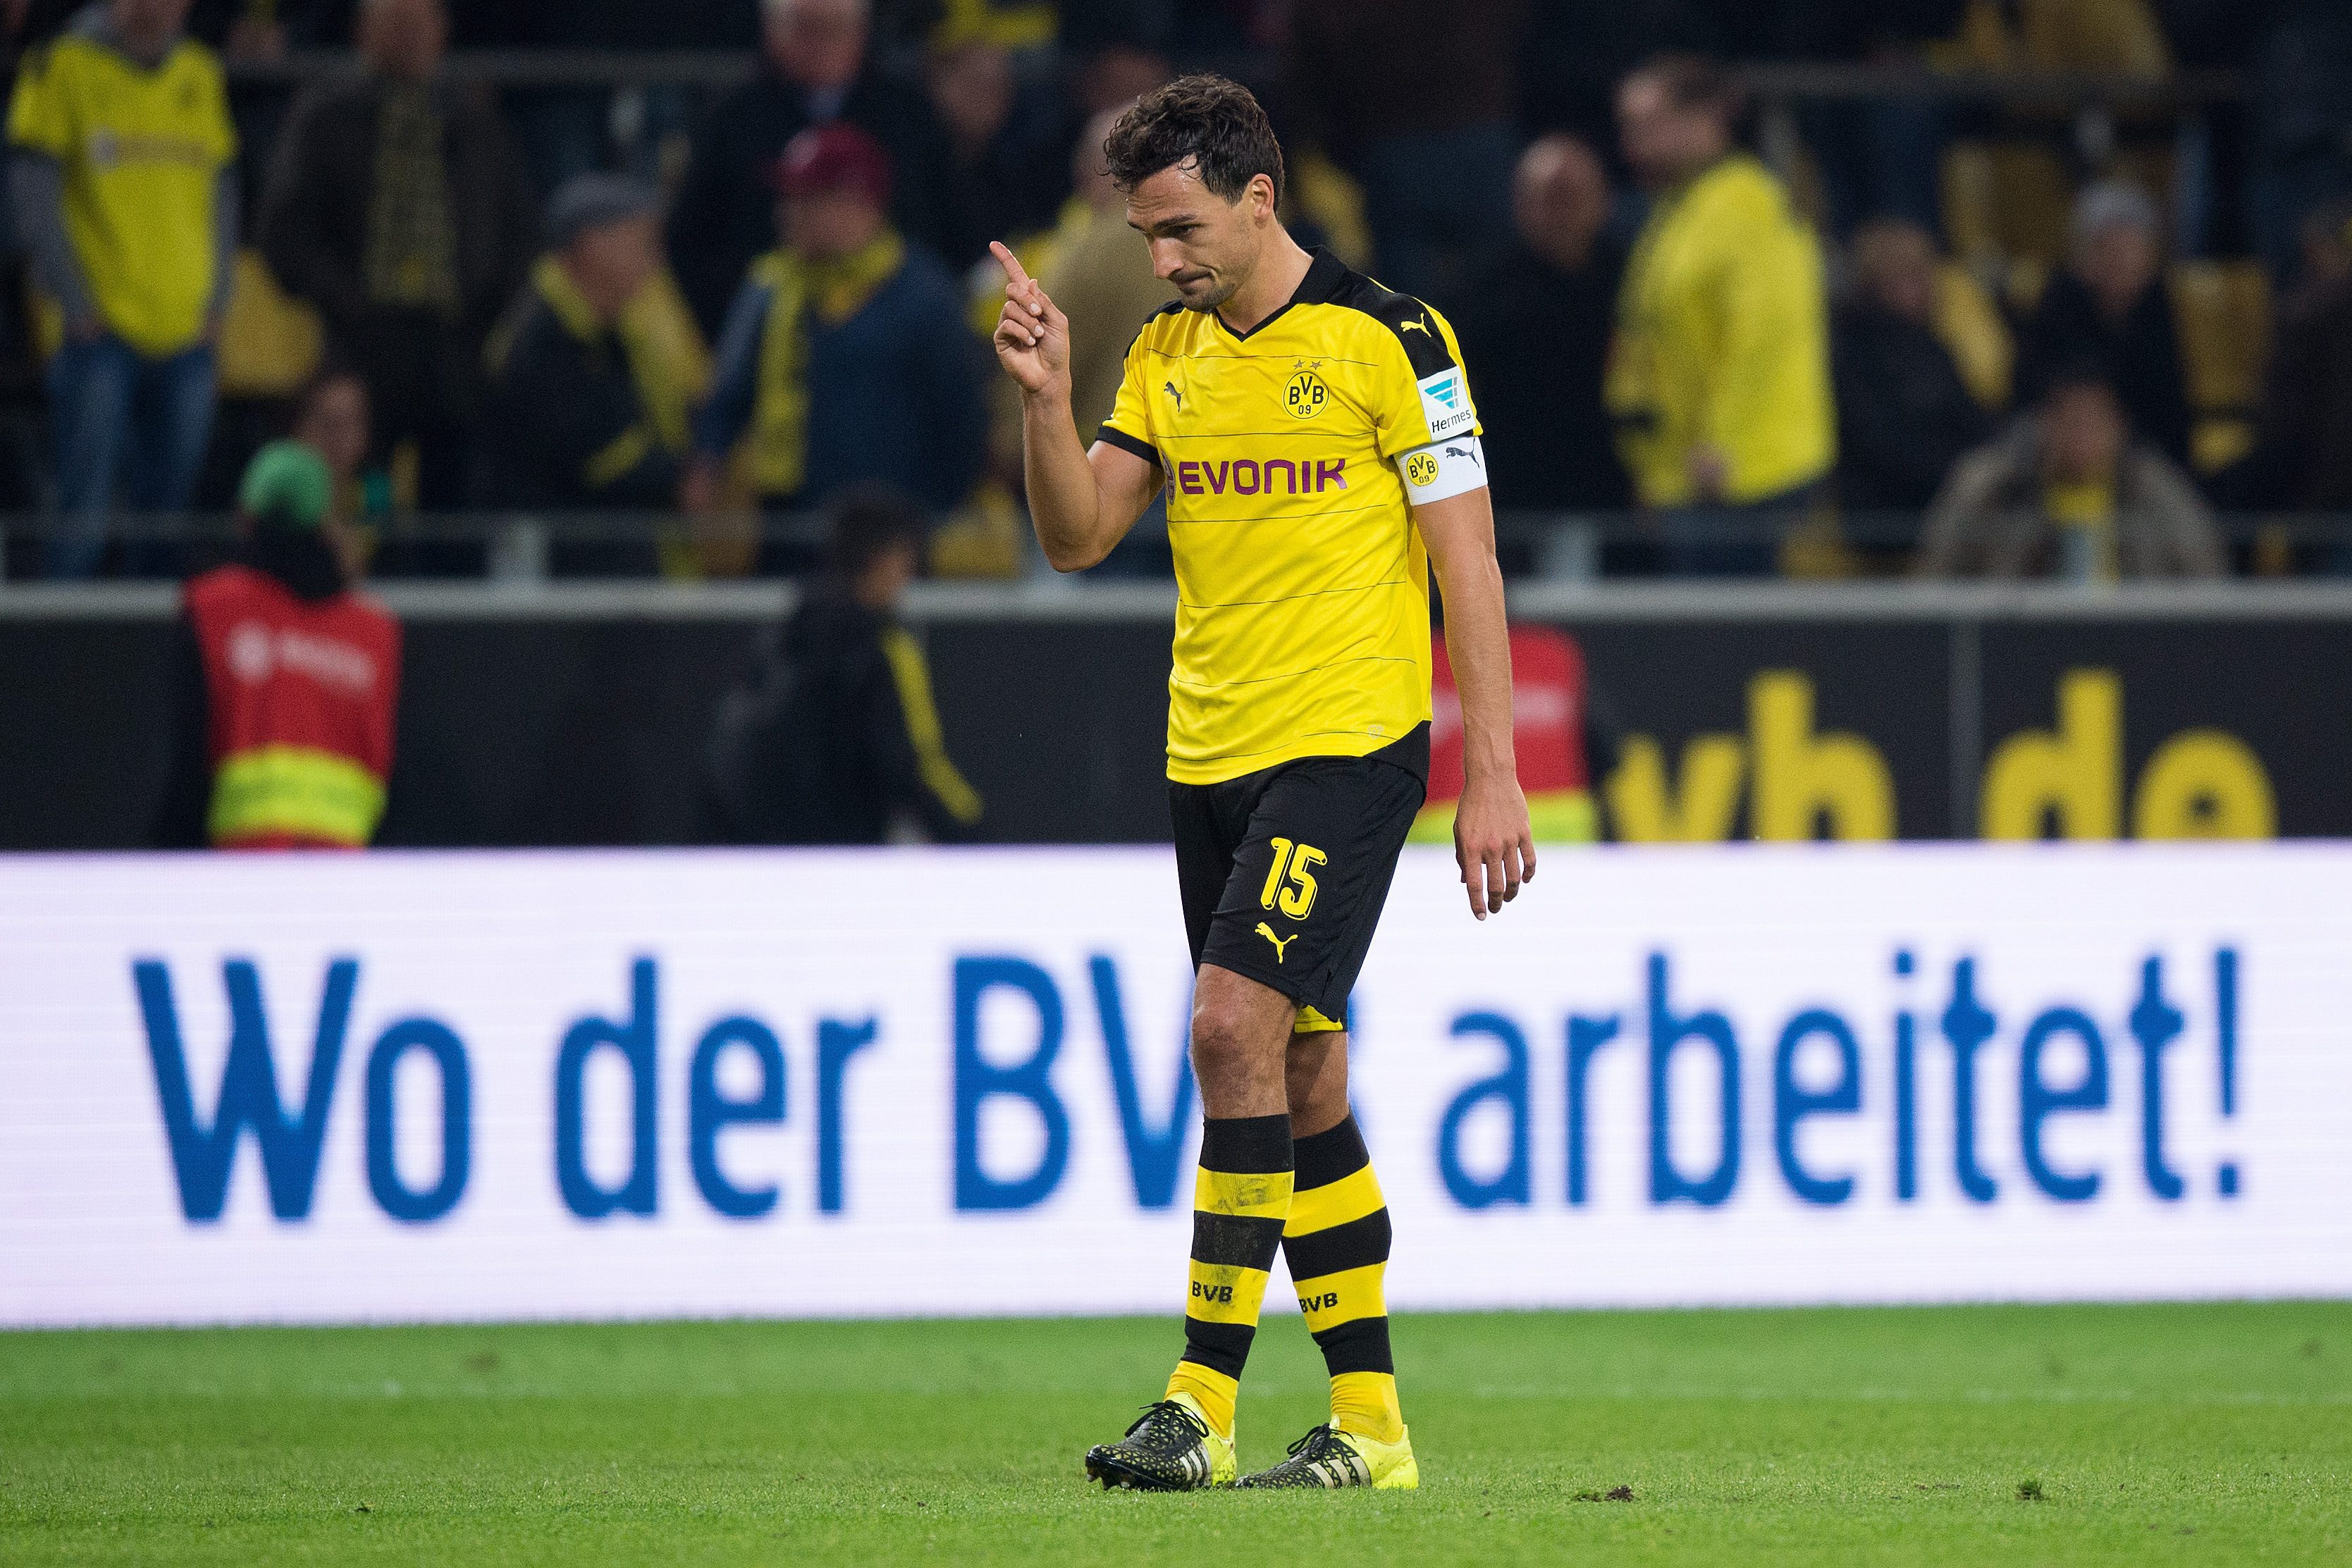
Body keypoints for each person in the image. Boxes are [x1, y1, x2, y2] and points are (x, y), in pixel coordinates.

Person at [991, 74, 1534, 1492]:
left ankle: (1198, 1402)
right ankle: (1370, 1425)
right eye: (1144, 235)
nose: (1162, 261)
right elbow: (1076, 534)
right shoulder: (1167, 356)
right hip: (1207, 754)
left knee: (1228, 1024)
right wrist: (1047, 402)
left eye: (1179, 230)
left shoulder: (1393, 339)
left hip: (1349, 746)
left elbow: (1467, 555)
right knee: (1298, 1066)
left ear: (1258, 195)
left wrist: (1493, 769)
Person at [256, 0, 536, 510]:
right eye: (394, 24)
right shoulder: (326, 117)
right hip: (363, 340)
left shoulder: (476, 122)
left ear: (442, 31)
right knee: (371, 487)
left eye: (418, 24)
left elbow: (516, 232)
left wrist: (489, 314)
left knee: (454, 486)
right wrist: (345, 299)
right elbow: (285, 232)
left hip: (456, 343)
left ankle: (445, 580)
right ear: (363, 33)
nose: (408, 38)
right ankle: (377, 560)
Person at [7, 0, 236, 578]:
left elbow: (223, 191)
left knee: (168, 517)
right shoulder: (63, 65)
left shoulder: (199, 72)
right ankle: (61, 652)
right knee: (81, 509)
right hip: (99, 333)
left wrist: (216, 301)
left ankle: (153, 656)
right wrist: (74, 300)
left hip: (187, 331)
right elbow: (32, 191)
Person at [684, 124, 986, 553]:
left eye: (807, 199)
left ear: (858, 204)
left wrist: (931, 519)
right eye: (787, 198)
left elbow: (959, 422)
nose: (787, 213)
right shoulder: (770, 285)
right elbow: (729, 393)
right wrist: (707, 461)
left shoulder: (923, 295)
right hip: (783, 524)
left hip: (888, 536)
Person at [1605, 55, 1835, 575]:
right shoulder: (1678, 209)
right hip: (1688, 476)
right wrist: (1650, 465)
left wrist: (1723, 446)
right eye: (1627, 128)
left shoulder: (1748, 204)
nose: (1631, 146)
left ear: (1704, 117)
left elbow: (1763, 337)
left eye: (1648, 125)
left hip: (1747, 474)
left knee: (1736, 646)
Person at [152, 440, 402, 848]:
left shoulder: (213, 607)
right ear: (327, 524)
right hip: (350, 886)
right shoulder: (376, 630)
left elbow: (185, 759)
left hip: (237, 877)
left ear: (245, 519)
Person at [698, 486, 984, 844]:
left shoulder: (782, 638)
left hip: (761, 854)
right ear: (886, 560)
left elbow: (732, 750)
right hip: (844, 863)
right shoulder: (885, 648)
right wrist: (978, 834)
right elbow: (913, 768)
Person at [665, 0, 959, 334]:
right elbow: (692, 238)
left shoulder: (908, 114)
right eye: (804, 27)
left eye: (835, 27)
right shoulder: (763, 294)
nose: (821, 42)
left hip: (897, 322)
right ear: (772, 32)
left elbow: (948, 221)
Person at [478, 175, 689, 536]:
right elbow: (600, 458)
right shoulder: (540, 339)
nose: (655, 263)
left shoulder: (603, 329)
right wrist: (681, 481)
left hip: (596, 556)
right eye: (643, 244)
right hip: (560, 568)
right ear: (593, 245)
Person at [1286, 0, 1523, 303]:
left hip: (1408, 143)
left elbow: (1316, 55)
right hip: (1434, 139)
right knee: (1489, 294)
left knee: (1416, 314)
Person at [1450, 134, 1630, 524]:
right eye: (1549, 198)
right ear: (1521, 203)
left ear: (1603, 201)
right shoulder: (1485, 286)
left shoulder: (1632, 277)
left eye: (1573, 197)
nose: (1561, 213)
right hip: (1513, 487)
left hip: (1615, 485)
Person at [1915, 368, 2224, 581]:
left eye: (2093, 420)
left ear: (2119, 427)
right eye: (2068, 420)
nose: (2081, 434)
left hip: (2135, 644)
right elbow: (1935, 574)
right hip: (2019, 644)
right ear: (2042, 425)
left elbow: (2206, 578)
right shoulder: (1995, 485)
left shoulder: (2156, 489)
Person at [2013, 181, 2192, 467]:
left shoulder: (2159, 308)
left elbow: (2169, 411)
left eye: (2132, 249)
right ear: (2083, 255)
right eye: (2109, 248)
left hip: (2136, 453)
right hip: (2054, 449)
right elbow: (2034, 396)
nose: (2120, 261)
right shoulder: (2058, 304)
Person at [1833, 218, 1997, 518]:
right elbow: (1876, 444)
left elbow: (1968, 417)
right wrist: (1953, 471)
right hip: (1887, 508)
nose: (1927, 287)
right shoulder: (1852, 350)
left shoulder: (1930, 343)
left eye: (1926, 275)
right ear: (1877, 283)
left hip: (1949, 490)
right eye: (1911, 277)